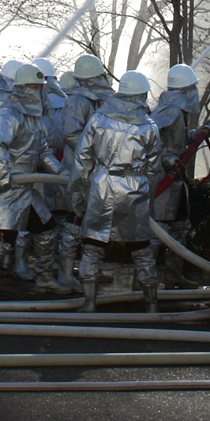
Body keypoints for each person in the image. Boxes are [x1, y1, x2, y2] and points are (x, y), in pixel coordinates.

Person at [70, 70, 167, 311]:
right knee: (141, 246)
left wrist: (78, 192)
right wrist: (149, 197)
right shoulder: (149, 126)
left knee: (93, 244)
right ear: (141, 94)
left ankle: (90, 303)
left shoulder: (98, 119)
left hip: (101, 185)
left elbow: (82, 159)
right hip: (135, 187)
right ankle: (151, 305)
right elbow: (155, 168)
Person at [0, 63, 64, 302]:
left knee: (46, 228)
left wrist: (63, 174)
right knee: (1, 242)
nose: (37, 92)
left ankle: (44, 277)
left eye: (40, 87)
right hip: (4, 188)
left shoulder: (34, 118)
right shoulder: (9, 114)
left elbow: (43, 150)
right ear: (21, 88)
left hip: (25, 187)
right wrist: (2, 178)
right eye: (33, 87)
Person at [56, 54, 114, 292]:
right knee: (75, 219)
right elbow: (70, 134)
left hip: (100, 169)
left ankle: (91, 270)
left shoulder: (104, 100)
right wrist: (94, 151)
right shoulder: (78, 101)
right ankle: (65, 275)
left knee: (98, 220)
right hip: (81, 169)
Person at [147, 63, 201, 289]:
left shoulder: (178, 110)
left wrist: (193, 136)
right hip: (162, 179)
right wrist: (167, 159)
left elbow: (174, 139)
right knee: (156, 231)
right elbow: (149, 136)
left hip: (175, 180)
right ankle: (143, 279)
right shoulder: (170, 110)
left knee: (180, 226)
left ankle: (173, 275)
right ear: (185, 88)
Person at [29, 57, 75, 292]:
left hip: (45, 168)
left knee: (49, 219)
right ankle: (45, 269)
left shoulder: (36, 105)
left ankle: (38, 268)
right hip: (41, 170)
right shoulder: (61, 102)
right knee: (48, 219)